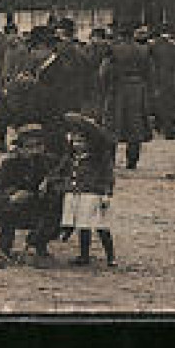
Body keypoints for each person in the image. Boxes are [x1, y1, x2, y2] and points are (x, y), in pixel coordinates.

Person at [0, 123, 58, 266]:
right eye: (29, 147)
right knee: (8, 210)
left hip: (38, 208)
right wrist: (11, 196)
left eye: (39, 145)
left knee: (56, 207)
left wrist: (49, 185)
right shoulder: (9, 165)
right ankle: (5, 249)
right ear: (19, 149)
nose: (35, 151)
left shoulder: (48, 163)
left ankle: (39, 246)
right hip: (16, 209)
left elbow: (62, 181)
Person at [58, 111, 118, 267]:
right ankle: (84, 255)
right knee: (83, 226)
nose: (77, 145)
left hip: (94, 195)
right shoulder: (71, 158)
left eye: (81, 141)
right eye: (75, 141)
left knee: (101, 226)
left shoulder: (98, 159)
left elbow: (108, 177)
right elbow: (62, 172)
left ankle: (111, 256)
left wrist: (106, 193)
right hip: (78, 195)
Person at [101, 26, 155, 169]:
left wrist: (106, 87)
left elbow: (104, 71)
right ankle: (132, 161)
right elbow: (150, 72)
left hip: (117, 88)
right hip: (137, 89)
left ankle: (110, 160)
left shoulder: (113, 49)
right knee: (135, 125)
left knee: (112, 124)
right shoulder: (144, 50)